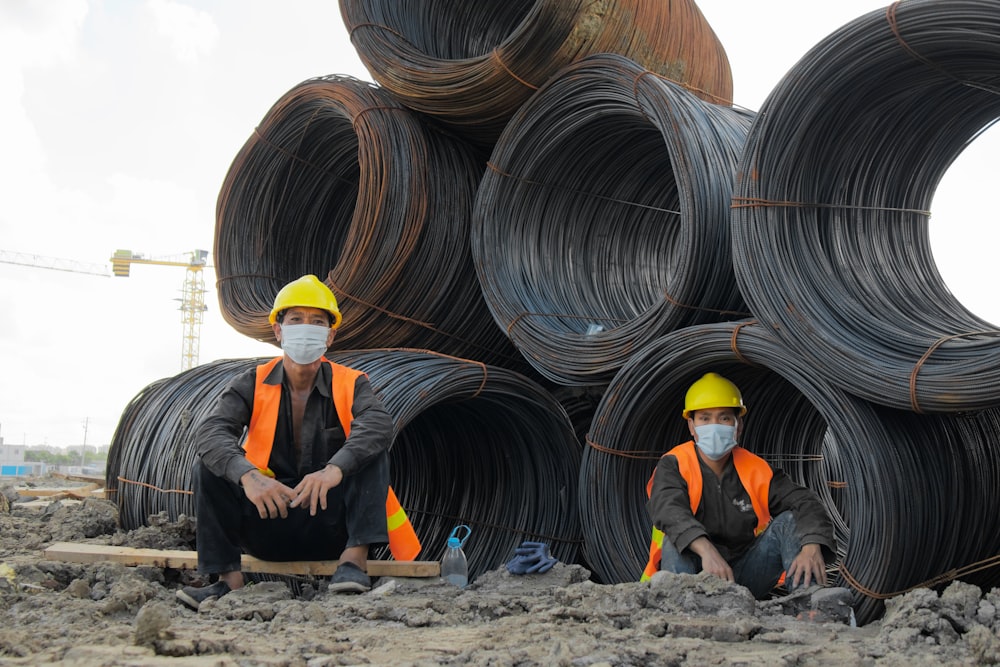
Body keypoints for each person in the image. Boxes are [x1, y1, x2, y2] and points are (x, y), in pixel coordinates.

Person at [177, 274, 409, 610]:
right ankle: (227, 582)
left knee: (370, 451)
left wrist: (334, 470)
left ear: (330, 335)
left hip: (331, 526)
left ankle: (354, 563)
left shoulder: (352, 383)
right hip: (266, 517)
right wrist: (248, 476)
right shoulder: (250, 383)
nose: (306, 328)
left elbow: (377, 425)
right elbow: (211, 432)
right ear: (278, 330)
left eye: (316, 321)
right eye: (296, 319)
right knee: (211, 465)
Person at [643, 372, 836, 600]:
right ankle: (682, 610)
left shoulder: (756, 469)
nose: (714, 426)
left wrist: (811, 544)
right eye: (705, 418)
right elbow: (669, 510)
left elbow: (805, 501)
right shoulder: (674, 463)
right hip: (690, 572)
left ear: (739, 424)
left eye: (724, 418)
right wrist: (706, 549)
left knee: (790, 522)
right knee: (675, 540)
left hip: (743, 576)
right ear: (691, 425)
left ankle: (811, 601)